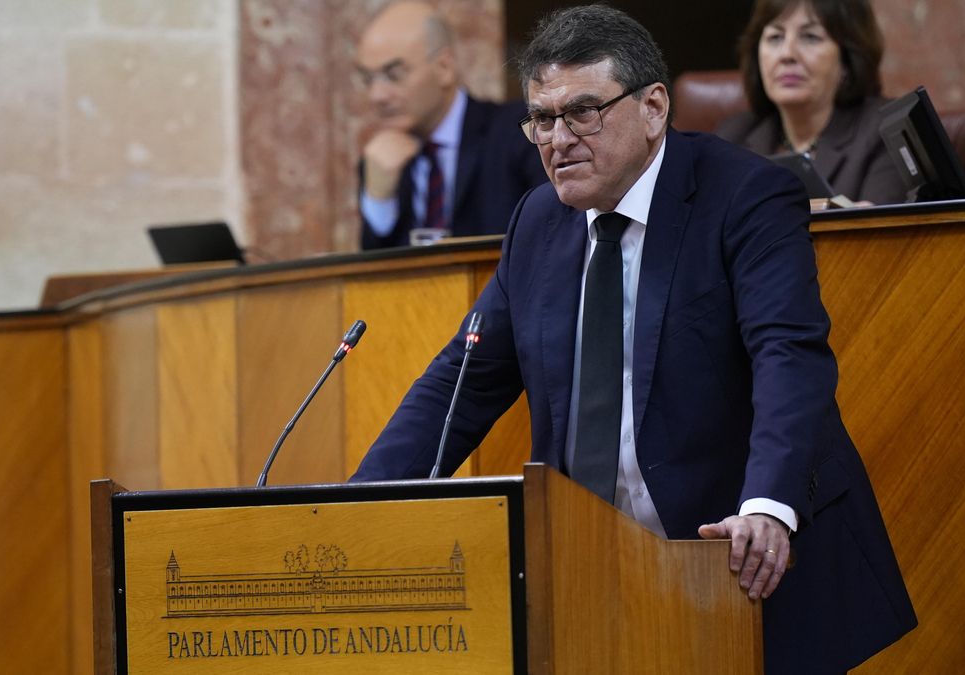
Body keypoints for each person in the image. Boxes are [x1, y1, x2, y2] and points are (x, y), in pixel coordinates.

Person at [351, 4, 915, 673]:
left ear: (653, 107)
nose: (559, 139)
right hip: (597, 575)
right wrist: (358, 506)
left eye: (583, 111)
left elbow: (786, 356)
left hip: (741, 562)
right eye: (543, 118)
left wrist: (767, 504)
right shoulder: (538, 220)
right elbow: (458, 384)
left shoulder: (745, 195)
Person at [355, 1, 547, 249]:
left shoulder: (518, 132)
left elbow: (549, 240)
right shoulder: (381, 161)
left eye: (393, 75)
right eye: (368, 79)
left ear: (444, 67)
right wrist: (379, 201)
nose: (377, 95)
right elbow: (372, 279)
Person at [716, 0, 906, 205]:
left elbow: (880, 233)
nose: (787, 54)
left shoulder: (887, 132)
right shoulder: (733, 137)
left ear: (847, 58)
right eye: (775, 37)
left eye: (810, 37)